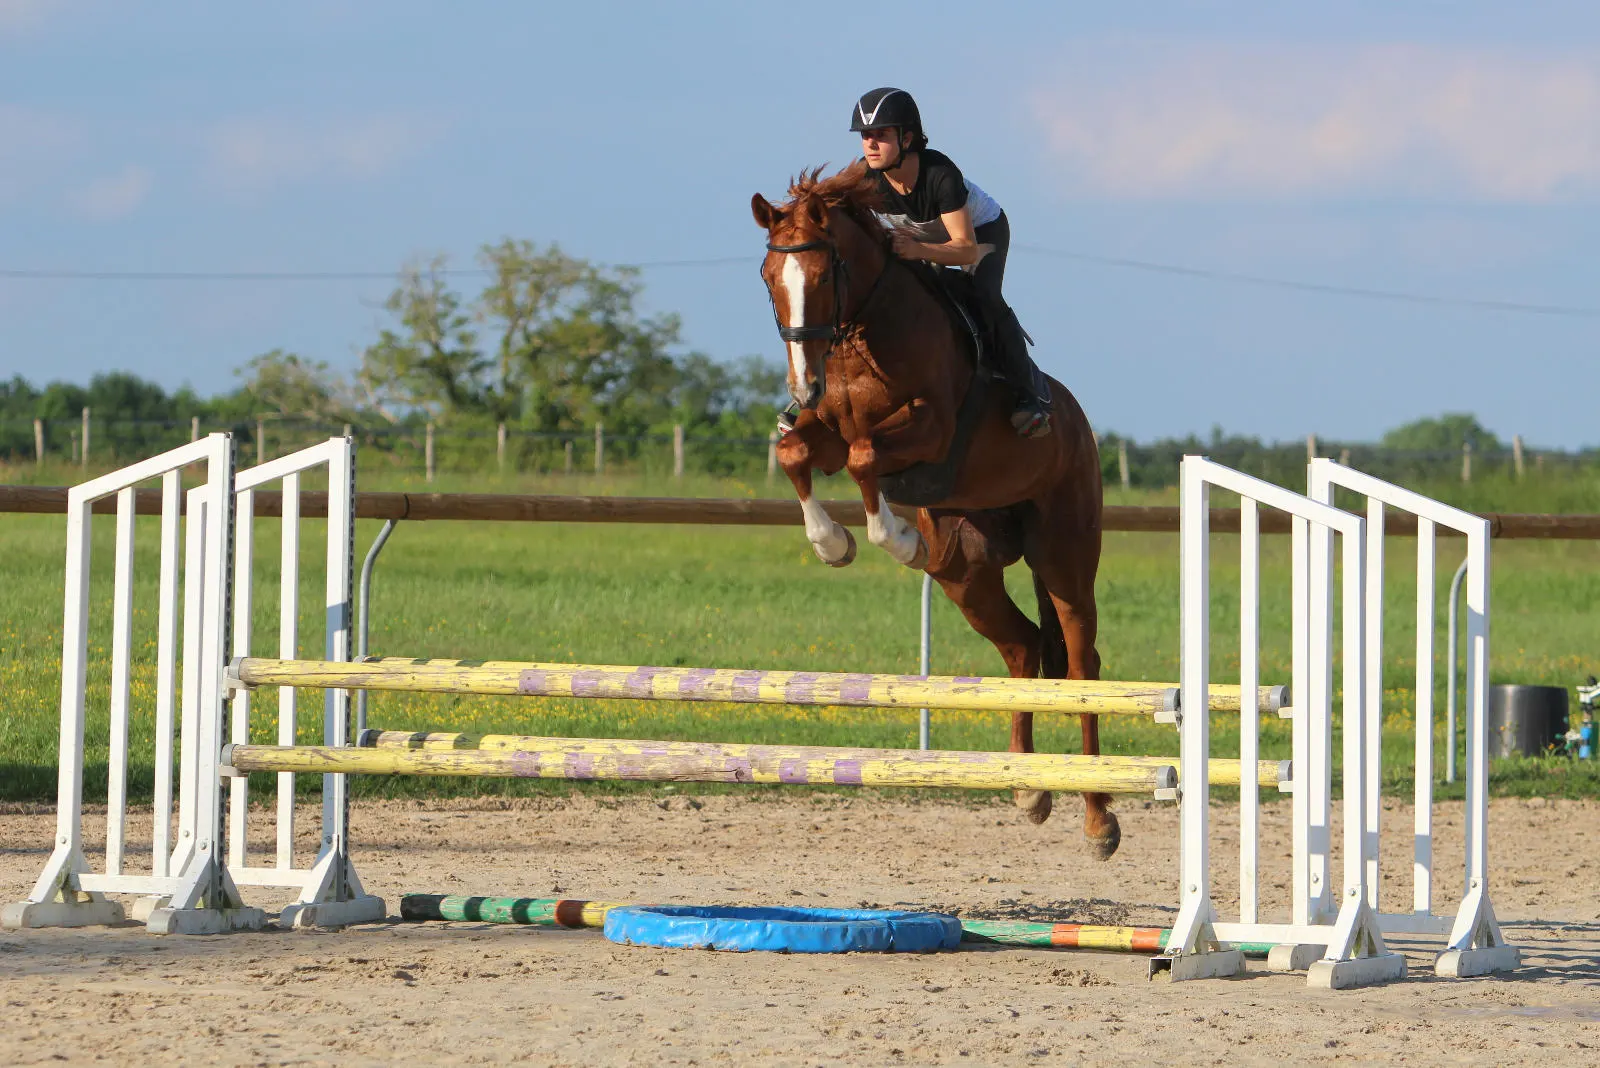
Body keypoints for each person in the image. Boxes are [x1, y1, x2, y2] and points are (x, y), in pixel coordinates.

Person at [852, 86, 1050, 437]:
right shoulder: (865, 178)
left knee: (984, 296)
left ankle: (1028, 396)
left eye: (880, 135)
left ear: (907, 137)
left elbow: (965, 251)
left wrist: (918, 252)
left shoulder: (940, 174)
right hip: (920, 240)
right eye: (866, 136)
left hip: (979, 233)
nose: (870, 144)